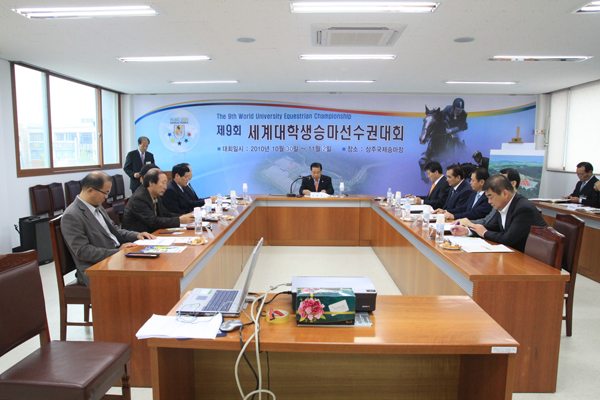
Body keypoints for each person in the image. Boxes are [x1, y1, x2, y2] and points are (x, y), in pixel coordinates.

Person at [61, 172, 155, 287]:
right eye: (105, 193)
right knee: (146, 278)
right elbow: (82, 251)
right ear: (90, 191)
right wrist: (118, 252)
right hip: (97, 267)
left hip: (115, 258)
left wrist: (136, 235)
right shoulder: (72, 215)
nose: (106, 197)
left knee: (152, 264)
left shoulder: (97, 206)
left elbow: (114, 231)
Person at [451, 174, 547, 252]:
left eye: (491, 197)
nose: (489, 202)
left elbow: (508, 239)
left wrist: (484, 233)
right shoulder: (502, 206)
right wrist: (468, 231)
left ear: (504, 193)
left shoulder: (523, 209)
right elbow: (492, 227)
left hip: (530, 259)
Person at [122, 168, 195, 232]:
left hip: (152, 234)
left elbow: (165, 214)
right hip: (138, 238)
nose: (165, 187)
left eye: (166, 183)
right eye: (163, 183)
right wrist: (179, 220)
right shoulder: (139, 198)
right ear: (151, 183)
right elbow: (152, 221)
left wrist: (184, 216)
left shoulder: (156, 195)